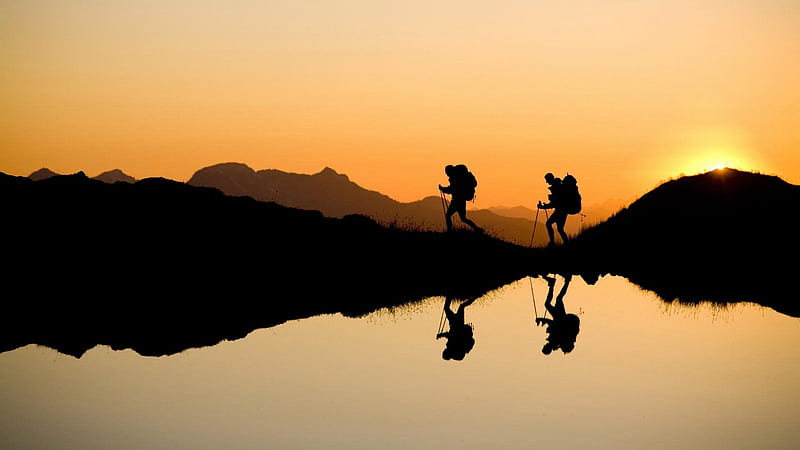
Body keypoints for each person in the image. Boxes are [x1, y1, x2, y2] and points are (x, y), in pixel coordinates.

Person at [535, 274, 580, 355]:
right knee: (558, 299)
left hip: (562, 319)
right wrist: (542, 319)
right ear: (548, 348)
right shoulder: (555, 341)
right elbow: (554, 324)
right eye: (545, 347)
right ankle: (566, 281)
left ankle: (552, 283)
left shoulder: (556, 342)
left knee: (548, 303)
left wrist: (542, 320)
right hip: (562, 318)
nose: (545, 345)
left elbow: (553, 324)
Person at [439, 164, 483, 233]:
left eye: (446, 172)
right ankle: (477, 228)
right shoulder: (458, 177)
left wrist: (443, 189)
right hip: (462, 201)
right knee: (463, 219)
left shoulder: (454, 178)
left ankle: (450, 231)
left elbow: (452, 189)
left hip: (456, 201)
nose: (446, 174)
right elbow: (453, 189)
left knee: (448, 216)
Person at [436, 296, 477, 360]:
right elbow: (451, 336)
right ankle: (475, 296)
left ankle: (449, 295)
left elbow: (450, 336)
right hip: (458, 325)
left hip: (453, 324)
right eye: (445, 351)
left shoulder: (451, 347)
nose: (445, 349)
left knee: (447, 308)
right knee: (461, 306)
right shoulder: (453, 347)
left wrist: (442, 335)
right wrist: (441, 335)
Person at [537, 172, 569, 247]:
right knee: (560, 229)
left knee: (548, 224)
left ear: (550, 179)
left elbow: (554, 203)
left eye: (547, 180)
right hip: (563, 210)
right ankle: (566, 244)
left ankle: (552, 243)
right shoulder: (558, 185)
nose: (546, 182)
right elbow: (555, 202)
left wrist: (543, 207)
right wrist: (546, 205)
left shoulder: (556, 187)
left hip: (560, 211)